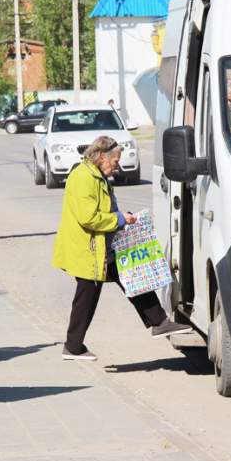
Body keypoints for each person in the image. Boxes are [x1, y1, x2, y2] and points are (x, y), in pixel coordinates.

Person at [53, 136, 191, 361]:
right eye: (115, 160)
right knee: (86, 298)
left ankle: (159, 322)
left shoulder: (97, 176)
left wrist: (124, 218)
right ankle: (73, 346)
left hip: (103, 248)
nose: (117, 165)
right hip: (88, 250)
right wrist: (119, 220)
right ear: (101, 157)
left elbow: (105, 210)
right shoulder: (82, 177)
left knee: (133, 277)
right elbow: (88, 217)